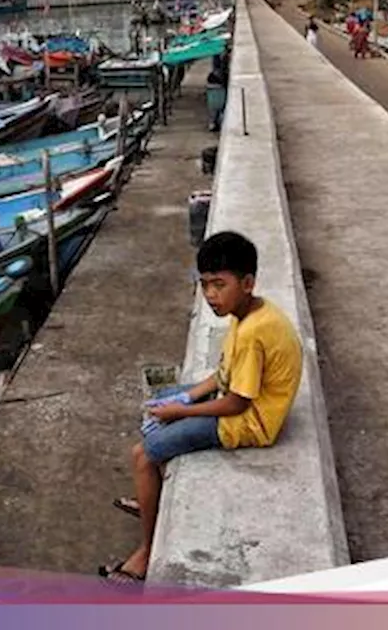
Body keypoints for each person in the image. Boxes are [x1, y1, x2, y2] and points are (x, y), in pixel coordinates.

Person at [100, 232, 304, 585]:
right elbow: (224, 375)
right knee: (157, 404)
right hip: (238, 403)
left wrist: (180, 411)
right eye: (205, 285)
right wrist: (185, 396)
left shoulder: (255, 332)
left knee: (144, 452)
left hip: (247, 423)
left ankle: (147, 552)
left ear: (247, 283)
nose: (211, 295)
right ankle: (152, 498)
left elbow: (237, 402)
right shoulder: (249, 311)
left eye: (219, 285)